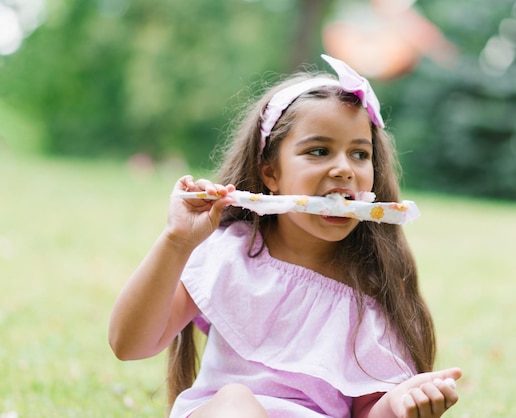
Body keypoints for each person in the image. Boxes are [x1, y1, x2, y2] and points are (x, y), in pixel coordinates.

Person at [108, 54, 462, 418]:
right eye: (319, 151)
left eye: (359, 154)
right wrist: (177, 241)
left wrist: (400, 405)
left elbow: (369, 412)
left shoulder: (372, 292)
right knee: (236, 403)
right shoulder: (231, 255)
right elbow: (129, 343)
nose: (343, 168)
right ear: (270, 173)